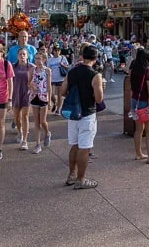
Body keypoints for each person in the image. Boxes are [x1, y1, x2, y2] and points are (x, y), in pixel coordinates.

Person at [62, 45, 104, 190]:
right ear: (95, 58)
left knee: (75, 145)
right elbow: (99, 99)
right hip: (87, 113)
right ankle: (81, 179)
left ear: (82, 56)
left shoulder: (72, 72)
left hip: (73, 114)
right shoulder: (95, 75)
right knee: (84, 148)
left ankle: (71, 175)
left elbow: (62, 91)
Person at [129, 48, 149, 163]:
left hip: (135, 100)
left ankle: (138, 153)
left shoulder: (133, 69)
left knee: (138, 130)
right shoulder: (148, 71)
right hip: (145, 102)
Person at [29, 52, 52, 154]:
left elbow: (49, 86)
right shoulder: (32, 70)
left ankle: (47, 132)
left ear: (44, 59)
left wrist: (50, 99)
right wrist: (31, 85)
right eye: (36, 58)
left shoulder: (47, 70)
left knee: (43, 121)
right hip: (34, 96)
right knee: (36, 121)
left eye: (39, 58)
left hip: (44, 96)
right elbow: (28, 81)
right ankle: (37, 144)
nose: (37, 60)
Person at [11, 48, 33, 150]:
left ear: (27, 56)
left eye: (24, 54)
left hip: (26, 94)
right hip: (15, 94)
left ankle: (25, 141)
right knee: (16, 118)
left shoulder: (31, 67)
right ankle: (20, 132)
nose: (22, 56)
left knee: (25, 116)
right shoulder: (13, 67)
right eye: (20, 54)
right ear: (17, 56)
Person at [47, 47, 69, 115]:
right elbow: (48, 69)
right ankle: (54, 102)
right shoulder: (50, 60)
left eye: (58, 50)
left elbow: (68, 66)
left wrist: (63, 65)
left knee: (60, 95)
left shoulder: (63, 58)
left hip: (60, 79)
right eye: (55, 50)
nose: (56, 52)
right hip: (52, 79)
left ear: (60, 51)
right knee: (51, 94)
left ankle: (58, 110)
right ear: (53, 51)